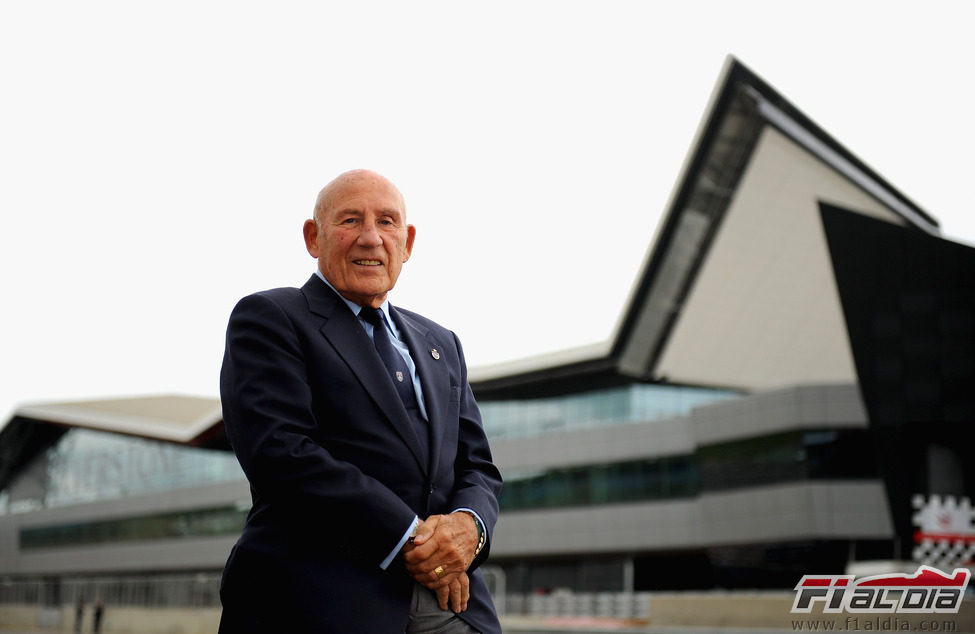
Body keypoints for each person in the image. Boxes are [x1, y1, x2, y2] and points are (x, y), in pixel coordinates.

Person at [217, 169, 503, 633]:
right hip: (315, 601)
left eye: (387, 222)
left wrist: (469, 527)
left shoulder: (442, 342)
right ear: (314, 237)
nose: (371, 238)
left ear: (407, 243)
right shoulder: (271, 318)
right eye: (351, 221)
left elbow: (478, 467)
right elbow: (282, 453)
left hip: (450, 599)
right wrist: (413, 537)